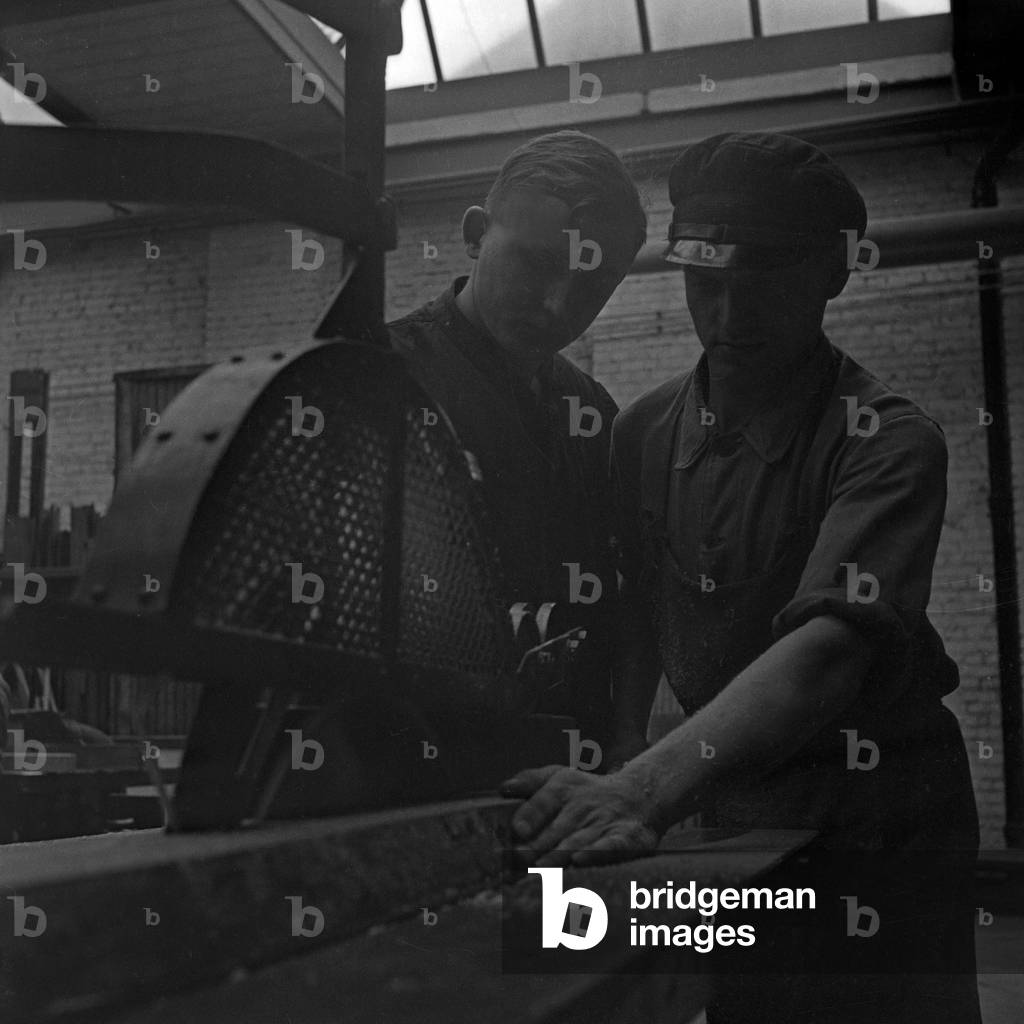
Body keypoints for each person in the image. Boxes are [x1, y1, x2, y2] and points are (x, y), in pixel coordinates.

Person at [502, 132, 981, 1022]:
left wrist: (645, 790)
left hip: (880, 817)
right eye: (703, 283)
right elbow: (640, 622)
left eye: (763, 285)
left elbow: (828, 654)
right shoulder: (642, 434)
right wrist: (616, 768)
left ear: (833, 275)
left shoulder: (887, 441)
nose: (726, 318)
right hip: (730, 808)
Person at [388, 130, 647, 744]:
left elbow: (631, 601)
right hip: (412, 766)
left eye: (592, 286)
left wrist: (626, 745)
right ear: (476, 233)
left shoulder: (593, 414)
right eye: (537, 264)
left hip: (564, 776)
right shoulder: (379, 379)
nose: (559, 306)